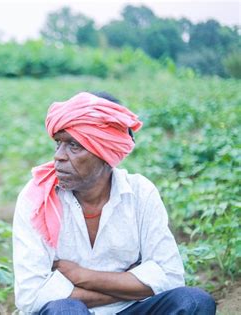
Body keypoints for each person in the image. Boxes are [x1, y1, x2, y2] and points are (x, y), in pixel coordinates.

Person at [12, 92, 216, 314]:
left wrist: (83, 277)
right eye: (58, 143)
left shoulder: (140, 193)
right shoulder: (37, 198)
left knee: (194, 302)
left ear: (106, 153)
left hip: (131, 309)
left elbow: (171, 277)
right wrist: (131, 282)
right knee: (66, 310)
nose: (58, 156)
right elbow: (31, 297)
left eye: (73, 145)